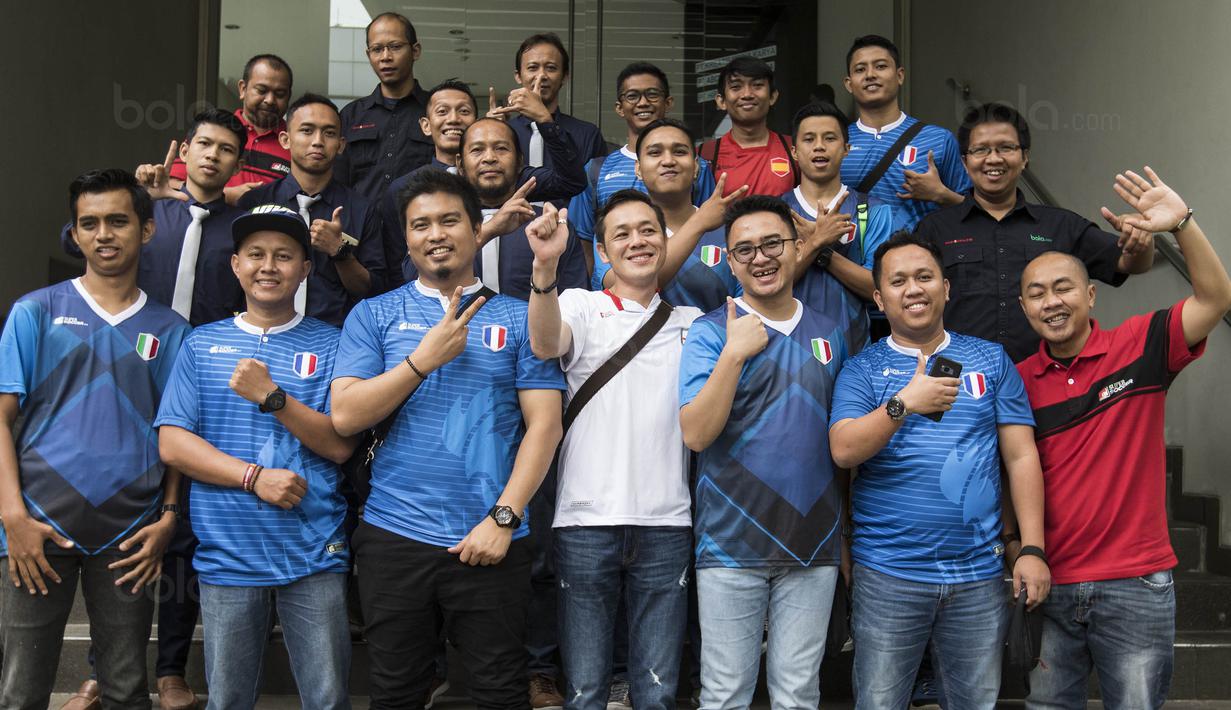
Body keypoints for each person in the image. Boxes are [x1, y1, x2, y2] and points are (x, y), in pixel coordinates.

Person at [330, 169, 565, 708]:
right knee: (394, 692)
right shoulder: (375, 314)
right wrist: (421, 361)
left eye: (449, 220)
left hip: (492, 537)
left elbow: (545, 426)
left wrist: (503, 519)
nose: (435, 233)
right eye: (420, 224)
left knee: (500, 692)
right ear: (407, 238)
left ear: (476, 226)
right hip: (394, 535)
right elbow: (345, 415)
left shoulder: (518, 314)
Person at [1017, 168, 1231, 708]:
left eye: (1063, 287)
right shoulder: (1014, 380)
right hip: (1050, 583)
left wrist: (1182, 223)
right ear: (1024, 309)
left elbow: (1214, 299)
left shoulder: (1141, 344)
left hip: (1135, 583)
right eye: (1037, 294)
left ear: (1091, 294)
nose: (1052, 302)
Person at [827, 231, 1051, 709]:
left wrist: (1031, 548)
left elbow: (1020, 456)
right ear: (879, 297)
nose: (914, 289)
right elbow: (844, 451)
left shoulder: (989, 360)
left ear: (945, 288)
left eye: (925, 277)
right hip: (888, 572)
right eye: (899, 280)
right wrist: (903, 403)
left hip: (978, 574)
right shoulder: (861, 369)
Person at [0, 169, 190, 709]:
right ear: (76, 234)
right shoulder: (33, 311)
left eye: (117, 221)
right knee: (21, 690)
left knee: (128, 690)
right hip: (36, 528)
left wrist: (168, 519)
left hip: (129, 536)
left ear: (146, 230)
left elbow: (176, 433)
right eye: (90, 223)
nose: (104, 233)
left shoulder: (173, 329)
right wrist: (12, 516)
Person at [156, 204, 356, 709]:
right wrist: (253, 477)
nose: (269, 267)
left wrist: (273, 397)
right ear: (235, 265)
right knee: (228, 700)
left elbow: (339, 444)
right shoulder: (201, 344)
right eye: (256, 255)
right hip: (228, 552)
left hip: (314, 549)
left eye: (285, 256)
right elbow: (173, 443)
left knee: (328, 699)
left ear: (306, 270)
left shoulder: (335, 344)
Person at [525, 190, 699, 710]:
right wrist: (545, 267)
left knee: (659, 691)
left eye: (648, 230)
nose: (637, 241)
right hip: (584, 521)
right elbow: (544, 342)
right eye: (621, 234)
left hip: (668, 522)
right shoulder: (579, 303)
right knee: (584, 690)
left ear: (666, 241)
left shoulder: (696, 323)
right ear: (602, 251)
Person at [678, 195, 849, 709]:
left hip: (814, 540)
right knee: (726, 693)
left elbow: (843, 439)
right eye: (745, 249)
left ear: (797, 248)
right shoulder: (710, 332)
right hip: (731, 543)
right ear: (730, 262)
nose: (761, 257)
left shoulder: (833, 330)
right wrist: (734, 353)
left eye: (773, 243)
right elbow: (695, 434)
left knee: (798, 693)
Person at [915, 102, 1155, 362]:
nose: (993, 158)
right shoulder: (935, 229)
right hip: (961, 384)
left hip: (1047, 381)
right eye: (981, 150)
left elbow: (1128, 263)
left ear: (1025, 157)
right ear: (964, 161)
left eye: (1006, 148)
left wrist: (1141, 239)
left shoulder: (1060, 224)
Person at [379, 80, 588, 291]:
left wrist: (544, 119)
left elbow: (574, 302)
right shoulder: (440, 226)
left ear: (520, 162)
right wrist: (489, 229)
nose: (489, 158)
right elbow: (410, 279)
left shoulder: (546, 225)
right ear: (460, 164)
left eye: (501, 149)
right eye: (477, 150)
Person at [240, 92, 387, 325]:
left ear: (340, 146)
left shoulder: (361, 209)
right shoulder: (254, 203)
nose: (317, 141)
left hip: (336, 341)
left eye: (329, 133)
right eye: (307, 130)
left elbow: (373, 291)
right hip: (264, 335)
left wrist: (340, 251)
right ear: (285, 139)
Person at [569, 62, 716, 279]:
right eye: (633, 96)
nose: (643, 103)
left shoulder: (697, 166)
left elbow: (707, 226)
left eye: (652, 94)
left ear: (668, 102)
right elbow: (583, 238)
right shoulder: (596, 170)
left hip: (692, 277)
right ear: (619, 107)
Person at [782, 101, 895, 355]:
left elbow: (878, 289)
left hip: (852, 352)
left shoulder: (873, 210)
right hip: (788, 354)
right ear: (794, 151)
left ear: (846, 149)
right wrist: (816, 242)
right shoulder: (776, 213)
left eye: (830, 138)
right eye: (809, 139)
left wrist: (821, 250)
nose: (819, 146)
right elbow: (771, 284)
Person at [840, 35, 970, 231]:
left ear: (900, 75)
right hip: (853, 259)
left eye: (881, 66)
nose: (870, 75)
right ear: (849, 84)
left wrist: (941, 194)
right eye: (860, 69)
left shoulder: (939, 139)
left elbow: (972, 211)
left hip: (921, 256)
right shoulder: (836, 143)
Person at [168, 54, 294, 205]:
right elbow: (169, 184)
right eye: (261, 90)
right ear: (242, 89)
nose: (270, 100)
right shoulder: (214, 130)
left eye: (280, 94)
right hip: (210, 225)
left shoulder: (296, 142)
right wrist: (225, 195)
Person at [336, 12, 433, 202]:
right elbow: (338, 180)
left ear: (415, 51)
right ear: (368, 54)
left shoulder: (434, 110)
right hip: (360, 229)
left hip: (418, 227)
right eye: (377, 49)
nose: (385, 57)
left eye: (395, 47)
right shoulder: (351, 115)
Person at [503, 33, 607, 176]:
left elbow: (592, 190)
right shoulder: (505, 132)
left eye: (551, 68)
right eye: (533, 67)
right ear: (518, 76)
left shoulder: (587, 134)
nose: (541, 76)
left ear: (564, 76)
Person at [699, 57, 798, 197]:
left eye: (757, 85)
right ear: (721, 101)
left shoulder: (795, 151)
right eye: (736, 87)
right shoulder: (703, 156)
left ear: (772, 96)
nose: (747, 94)